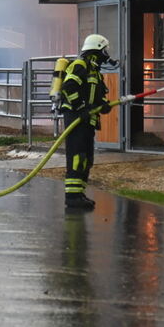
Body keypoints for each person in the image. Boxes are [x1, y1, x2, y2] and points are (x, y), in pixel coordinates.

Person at [59, 34, 112, 211]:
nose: (106, 54)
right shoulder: (80, 65)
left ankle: (79, 194)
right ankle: (72, 197)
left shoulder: (94, 71)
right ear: (97, 49)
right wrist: (81, 107)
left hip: (86, 120)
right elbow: (68, 87)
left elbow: (94, 95)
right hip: (76, 118)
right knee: (77, 157)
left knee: (86, 158)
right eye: (104, 50)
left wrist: (102, 105)